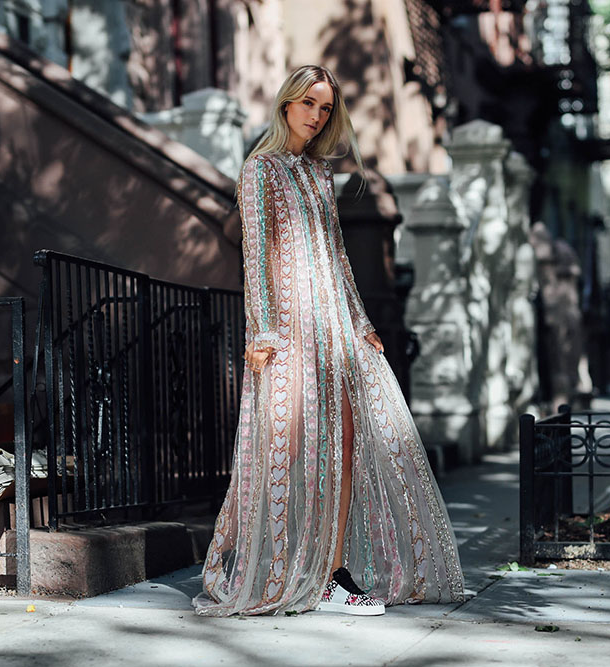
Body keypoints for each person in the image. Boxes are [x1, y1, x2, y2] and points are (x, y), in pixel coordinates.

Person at [193, 65, 464, 617]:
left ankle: (333, 574)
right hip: (287, 328)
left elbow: (337, 255)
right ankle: (285, 566)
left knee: (343, 444)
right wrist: (262, 328)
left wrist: (362, 323)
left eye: (325, 108)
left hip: (334, 324)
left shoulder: (319, 174)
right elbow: (257, 255)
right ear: (286, 104)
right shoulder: (260, 170)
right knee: (288, 449)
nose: (316, 116)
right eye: (308, 104)